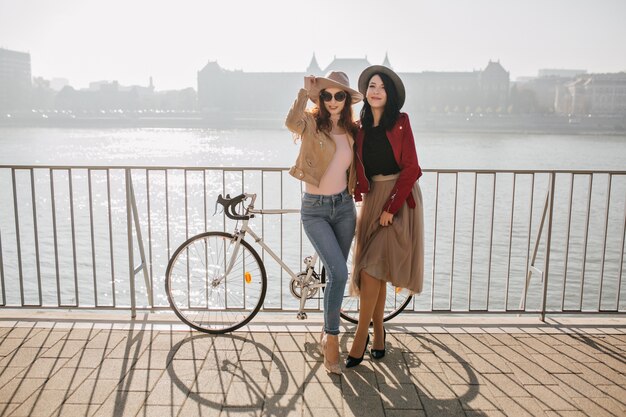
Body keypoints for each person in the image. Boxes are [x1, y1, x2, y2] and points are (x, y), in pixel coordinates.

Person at [346, 65, 424, 368]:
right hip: (372, 198)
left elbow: (411, 168)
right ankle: (378, 331)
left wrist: (391, 208)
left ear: (389, 95)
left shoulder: (402, 122)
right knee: (372, 272)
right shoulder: (360, 127)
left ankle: (359, 338)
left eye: (381, 87)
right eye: (372, 86)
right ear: (366, 93)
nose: (375, 91)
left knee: (372, 267)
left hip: (399, 200)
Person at [285, 71, 363, 375]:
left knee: (336, 275)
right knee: (340, 272)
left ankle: (326, 329)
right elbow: (291, 122)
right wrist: (306, 93)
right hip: (315, 210)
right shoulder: (310, 123)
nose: (332, 101)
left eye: (338, 95)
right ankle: (331, 338)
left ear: (346, 100)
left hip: (344, 207)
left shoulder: (353, 130)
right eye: (327, 95)